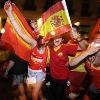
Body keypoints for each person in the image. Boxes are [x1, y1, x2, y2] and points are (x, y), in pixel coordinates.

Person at [4, 1, 48, 100]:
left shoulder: (49, 46)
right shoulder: (34, 43)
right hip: (30, 72)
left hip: (40, 73)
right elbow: (21, 33)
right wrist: (10, 14)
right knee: (30, 90)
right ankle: (43, 98)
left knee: (34, 94)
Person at [83, 33, 100, 100]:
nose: (98, 42)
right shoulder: (89, 54)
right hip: (93, 86)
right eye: (97, 39)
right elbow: (91, 73)